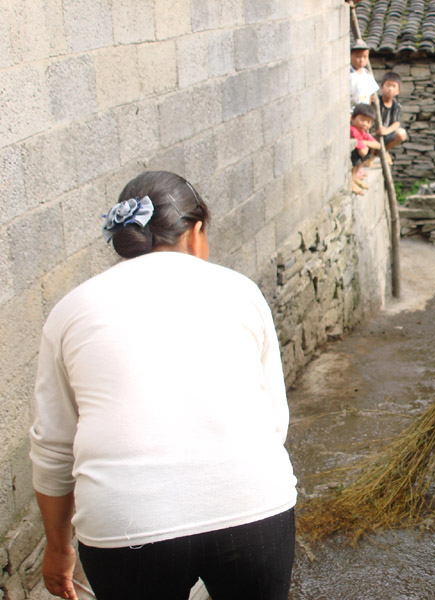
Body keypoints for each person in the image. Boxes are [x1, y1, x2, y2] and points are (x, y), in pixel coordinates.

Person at [29, 171, 297, 600]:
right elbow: (273, 418)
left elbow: (54, 448)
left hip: (125, 524)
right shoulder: (241, 291)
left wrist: (59, 549)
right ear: (196, 233)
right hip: (253, 506)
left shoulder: (70, 311)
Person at [376, 72, 408, 162]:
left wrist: (386, 131)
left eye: (394, 86)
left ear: (398, 91)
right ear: (382, 87)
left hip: (387, 133)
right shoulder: (376, 101)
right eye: (388, 85)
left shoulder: (396, 106)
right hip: (374, 133)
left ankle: (385, 150)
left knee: (402, 134)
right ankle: (371, 155)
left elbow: (396, 123)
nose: (390, 89)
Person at [350, 103, 381, 194]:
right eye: (362, 120)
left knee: (368, 153)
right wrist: (366, 145)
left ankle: (355, 176)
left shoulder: (362, 132)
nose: (364, 124)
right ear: (352, 118)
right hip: (350, 156)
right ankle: (351, 181)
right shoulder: (353, 130)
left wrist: (365, 143)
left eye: (368, 122)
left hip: (360, 151)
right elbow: (362, 152)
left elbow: (378, 145)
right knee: (363, 154)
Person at [349, 38, 379, 110]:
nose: (362, 60)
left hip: (365, 111)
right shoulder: (348, 75)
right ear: (350, 56)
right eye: (358, 57)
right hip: (351, 111)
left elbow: (372, 94)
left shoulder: (367, 74)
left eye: (365, 57)